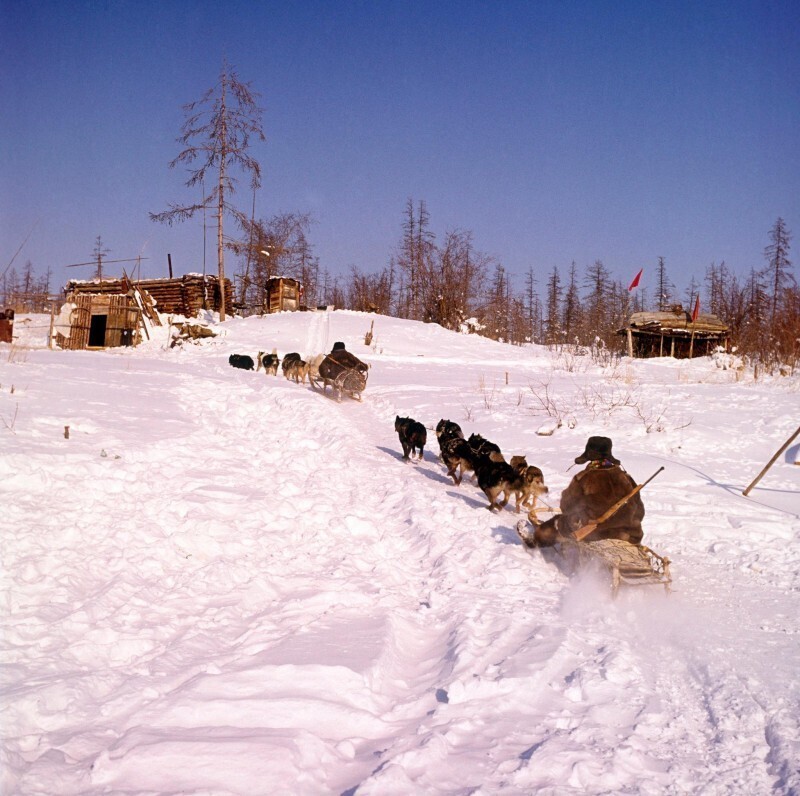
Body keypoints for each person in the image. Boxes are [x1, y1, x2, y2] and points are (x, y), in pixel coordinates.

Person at [525, 436, 644, 547]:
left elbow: (567, 506)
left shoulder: (584, 478)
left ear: (590, 456)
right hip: (629, 534)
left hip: (596, 534)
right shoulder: (626, 478)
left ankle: (536, 540)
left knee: (558, 521)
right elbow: (640, 511)